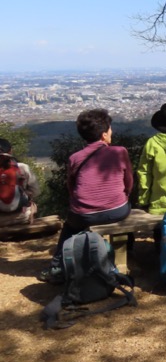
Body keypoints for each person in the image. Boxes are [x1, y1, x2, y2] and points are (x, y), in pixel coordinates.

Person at [38, 109, 133, 284]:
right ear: (104, 135)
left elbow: (71, 187)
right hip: (117, 209)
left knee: (69, 227)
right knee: (128, 209)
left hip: (83, 214)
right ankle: (121, 255)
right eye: (110, 129)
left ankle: (57, 267)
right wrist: (121, 196)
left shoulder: (75, 158)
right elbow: (129, 182)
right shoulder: (120, 152)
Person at [0, 137, 40, 225]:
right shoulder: (23, 168)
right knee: (32, 202)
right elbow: (36, 192)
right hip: (23, 216)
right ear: (10, 151)